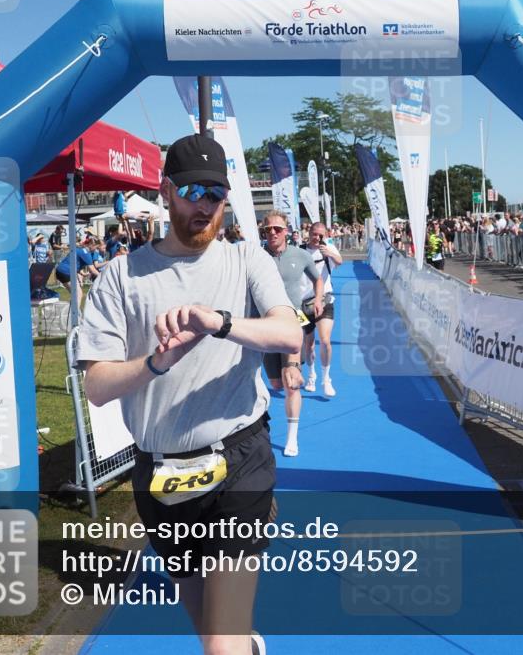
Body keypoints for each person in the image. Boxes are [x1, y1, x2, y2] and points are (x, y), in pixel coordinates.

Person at [78, 134, 300, 654]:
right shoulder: (121, 275)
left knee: (217, 647)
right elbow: (96, 385)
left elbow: (289, 332)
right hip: (160, 474)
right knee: (212, 630)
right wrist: (158, 362)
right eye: (192, 190)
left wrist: (218, 323)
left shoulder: (247, 259)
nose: (204, 204)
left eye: (215, 194)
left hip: (240, 458)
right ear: (166, 191)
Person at [262, 209, 322, 457]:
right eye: (268, 229)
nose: (273, 233)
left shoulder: (301, 255)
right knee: (275, 383)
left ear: (286, 231)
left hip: (291, 325)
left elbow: (318, 279)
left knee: (290, 385)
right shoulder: (257, 257)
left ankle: (292, 438)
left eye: (278, 228)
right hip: (264, 327)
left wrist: (318, 299)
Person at [300, 221, 343, 397]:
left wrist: (330, 254)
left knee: (325, 340)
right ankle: (311, 375)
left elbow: (340, 261)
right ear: (308, 232)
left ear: (325, 235)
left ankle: (326, 379)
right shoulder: (299, 250)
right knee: (308, 344)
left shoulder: (328, 249)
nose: (317, 238)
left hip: (325, 299)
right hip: (301, 304)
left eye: (321, 235)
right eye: (314, 234)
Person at [54, 239, 100, 309]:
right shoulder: (86, 253)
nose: (96, 250)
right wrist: (102, 276)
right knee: (78, 294)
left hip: (60, 271)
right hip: (66, 272)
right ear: (91, 245)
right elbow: (93, 270)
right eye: (96, 247)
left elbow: (75, 263)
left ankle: (72, 313)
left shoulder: (80, 250)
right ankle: (75, 315)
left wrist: (82, 273)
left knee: (75, 294)